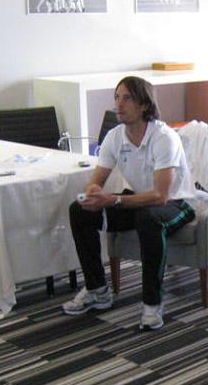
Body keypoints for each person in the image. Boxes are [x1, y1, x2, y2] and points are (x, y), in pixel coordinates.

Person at [63, 76, 196, 330]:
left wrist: (113, 200)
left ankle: (152, 303)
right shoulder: (115, 137)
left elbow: (160, 196)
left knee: (149, 218)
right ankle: (97, 290)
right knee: (79, 211)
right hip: (139, 201)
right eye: (117, 98)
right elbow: (97, 181)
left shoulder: (164, 137)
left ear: (144, 105)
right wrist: (92, 193)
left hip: (176, 203)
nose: (119, 104)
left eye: (127, 98)